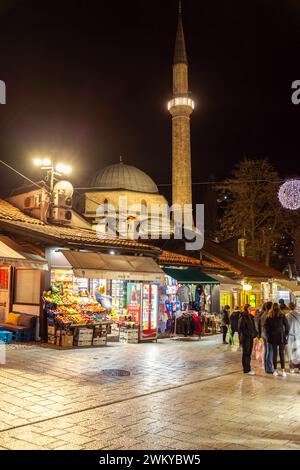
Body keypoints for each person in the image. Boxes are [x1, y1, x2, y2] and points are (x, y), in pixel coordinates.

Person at [266, 303, 290, 377]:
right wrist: (285, 334)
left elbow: (267, 328)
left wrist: (269, 334)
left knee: (274, 354)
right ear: (279, 307)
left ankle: (275, 370)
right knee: (281, 353)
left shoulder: (269, 316)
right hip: (281, 336)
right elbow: (287, 326)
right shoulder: (282, 315)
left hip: (273, 336)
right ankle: (283, 371)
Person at [238, 304, 258, 375]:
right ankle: (246, 369)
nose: (250, 310)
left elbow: (252, 327)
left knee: (248, 353)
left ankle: (248, 368)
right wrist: (250, 334)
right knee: (246, 353)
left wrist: (255, 334)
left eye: (251, 309)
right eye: (249, 309)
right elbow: (242, 329)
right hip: (245, 338)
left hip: (250, 337)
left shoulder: (250, 317)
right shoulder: (243, 317)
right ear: (246, 309)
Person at [257, 301, 274, 374]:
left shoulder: (263, 314)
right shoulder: (269, 314)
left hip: (263, 334)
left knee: (266, 350)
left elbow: (258, 325)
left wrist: (259, 334)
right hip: (268, 335)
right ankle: (269, 368)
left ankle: (266, 366)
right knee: (270, 351)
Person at [286, 302, 300, 373]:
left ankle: (292, 368)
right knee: (298, 352)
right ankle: (299, 368)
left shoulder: (287, 316)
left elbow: (285, 327)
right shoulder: (299, 315)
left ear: (289, 308)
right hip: (298, 335)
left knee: (290, 352)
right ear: (295, 307)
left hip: (290, 336)